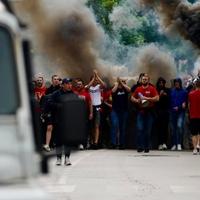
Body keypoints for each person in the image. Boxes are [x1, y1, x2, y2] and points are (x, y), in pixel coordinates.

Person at [48, 78, 77, 166]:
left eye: (70, 84)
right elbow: (49, 103)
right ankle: (58, 158)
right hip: (58, 120)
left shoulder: (73, 94)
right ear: (63, 85)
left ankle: (67, 158)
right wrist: (59, 106)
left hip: (68, 121)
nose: (70, 85)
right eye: (68, 84)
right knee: (58, 140)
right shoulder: (56, 94)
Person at [131, 74, 159, 153]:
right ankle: (140, 147)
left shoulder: (152, 88)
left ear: (148, 80)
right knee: (140, 129)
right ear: (141, 80)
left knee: (148, 130)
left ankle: (146, 147)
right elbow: (132, 97)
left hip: (149, 112)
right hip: (140, 112)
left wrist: (148, 98)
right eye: (143, 79)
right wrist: (136, 100)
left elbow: (157, 98)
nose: (144, 80)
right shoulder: (138, 89)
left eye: (146, 79)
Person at [86, 70, 106, 149]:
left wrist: (97, 76)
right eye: (94, 80)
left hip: (97, 106)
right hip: (91, 107)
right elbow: (87, 87)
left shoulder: (98, 87)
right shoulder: (89, 87)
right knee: (91, 127)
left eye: (96, 80)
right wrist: (94, 78)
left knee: (97, 125)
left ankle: (96, 142)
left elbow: (103, 84)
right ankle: (91, 141)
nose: (95, 81)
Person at [41, 75, 61, 152]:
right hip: (49, 111)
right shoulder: (48, 90)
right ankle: (47, 145)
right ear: (52, 80)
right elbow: (45, 101)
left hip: (58, 111)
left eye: (57, 79)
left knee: (58, 128)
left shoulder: (61, 89)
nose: (56, 80)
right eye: (54, 79)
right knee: (49, 127)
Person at [110, 77, 130, 149]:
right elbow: (112, 91)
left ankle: (121, 144)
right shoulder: (115, 88)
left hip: (124, 111)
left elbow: (129, 90)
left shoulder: (125, 88)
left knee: (122, 127)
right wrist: (118, 83)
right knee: (115, 125)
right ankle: (113, 143)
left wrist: (122, 83)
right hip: (115, 111)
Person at [74, 78, 93, 150]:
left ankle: (84, 143)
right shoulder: (74, 92)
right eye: (77, 84)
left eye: (80, 84)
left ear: (83, 85)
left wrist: (91, 113)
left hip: (84, 114)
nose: (78, 85)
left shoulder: (86, 93)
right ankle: (78, 143)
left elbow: (90, 104)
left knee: (85, 129)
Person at [170, 78, 187, 151]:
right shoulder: (172, 92)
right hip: (172, 112)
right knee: (173, 129)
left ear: (180, 83)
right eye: (175, 82)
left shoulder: (184, 92)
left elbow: (185, 103)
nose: (176, 84)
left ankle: (179, 144)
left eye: (177, 82)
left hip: (181, 112)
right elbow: (169, 102)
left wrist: (179, 107)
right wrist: (172, 108)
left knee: (179, 127)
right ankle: (174, 144)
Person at [155, 77, 170, 150]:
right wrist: (160, 95)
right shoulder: (155, 90)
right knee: (159, 128)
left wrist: (166, 95)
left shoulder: (167, 90)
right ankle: (159, 143)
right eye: (160, 83)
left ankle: (164, 143)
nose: (161, 84)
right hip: (158, 112)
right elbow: (155, 100)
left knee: (165, 128)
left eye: (162, 83)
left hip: (165, 111)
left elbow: (170, 99)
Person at [188, 78, 200, 155]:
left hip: (193, 116)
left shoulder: (190, 94)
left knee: (194, 133)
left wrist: (191, 112)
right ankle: (199, 144)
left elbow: (189, 105)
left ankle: (195, 149)